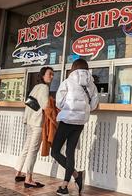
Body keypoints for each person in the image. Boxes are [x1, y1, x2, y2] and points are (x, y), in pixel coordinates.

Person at [51, 58, 98, 195]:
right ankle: (69, 182)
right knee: (70, 152)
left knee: (55, 152)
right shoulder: (92, 85)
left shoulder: (67, 82)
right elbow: (93, 105)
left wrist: (69, 108)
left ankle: (74, 178)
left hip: (66, 121)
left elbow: (59, 103)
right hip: (80, 123)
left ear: (73, 68)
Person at [14, 66, 54, 188]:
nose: (52, 77)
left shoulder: (35, 87)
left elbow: (29, 103)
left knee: (27, 147)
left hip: (29, 122)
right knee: (33, 150)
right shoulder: (44, 88)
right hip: (37, 123)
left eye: (53, 74)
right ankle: (29, 178)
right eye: (50, 74)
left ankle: (18, 172)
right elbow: (45, 105)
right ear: (43, 76)